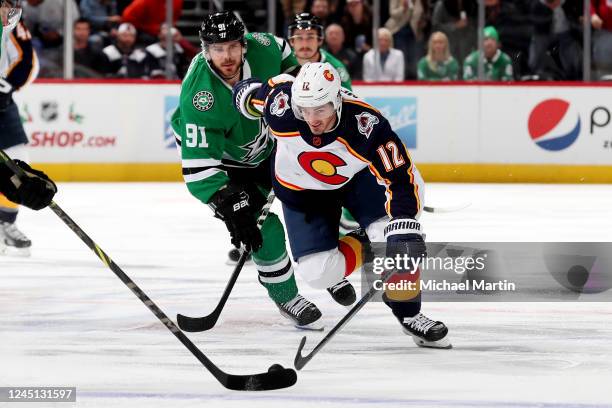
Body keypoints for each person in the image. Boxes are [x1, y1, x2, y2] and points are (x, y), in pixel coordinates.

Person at [233, 62, 451, 348]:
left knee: (399, 241)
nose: (312, 119)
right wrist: (244, 94)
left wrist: (403, 224)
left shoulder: (366, 124)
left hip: (357, 181)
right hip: (303, 192)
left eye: (321, 109)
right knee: (319, 273)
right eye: (305, 110)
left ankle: (409, 313)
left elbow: (401, 178)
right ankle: (370, 245)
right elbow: (253, 94)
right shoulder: (283, 107)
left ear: (338, 100)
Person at [170, 12, 326, 329]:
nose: (226, 56)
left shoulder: (264, 47)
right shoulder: (200, 98)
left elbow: (289, 59)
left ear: (244, 44)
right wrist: (230, 205)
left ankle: (339, 253)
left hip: (267, 147)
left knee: (325, 188)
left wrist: (298, 95)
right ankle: (287, 297)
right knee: (262, 229)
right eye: (216, 49)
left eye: (231, 47)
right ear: (204, 50)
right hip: (224, 166)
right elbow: (201, 169)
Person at [1, 3, 57, 255]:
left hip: (1, 101)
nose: (10, 10)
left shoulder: (11, 22)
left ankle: (6, 223)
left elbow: (26, 60)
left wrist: (5, 86)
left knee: (17, 161)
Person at [287, 13, 352, 89]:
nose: (304, 44)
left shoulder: (335, 68)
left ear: (319, 40)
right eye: (299, 37)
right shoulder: (282, 62)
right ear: (291, 41)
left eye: (310, 37)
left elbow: (348, 99)